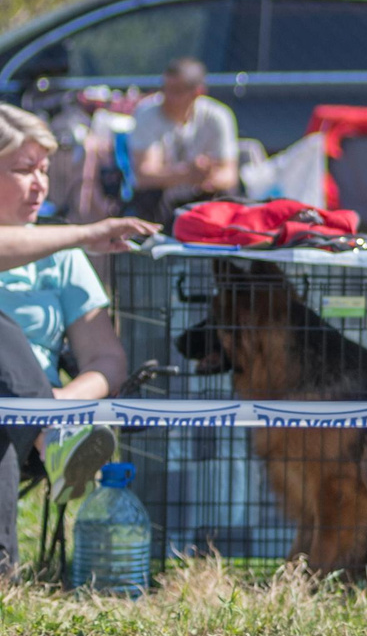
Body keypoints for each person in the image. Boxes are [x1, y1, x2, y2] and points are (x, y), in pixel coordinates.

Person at [0, 104, 155, 575]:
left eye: (45, 170)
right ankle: (53, 438)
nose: (40, 184)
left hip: (21, 420)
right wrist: (88, 232)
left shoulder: (63, 258)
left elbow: (107, 359)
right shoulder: (73, 239)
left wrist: (62, 399)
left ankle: (47, 429)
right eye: (24, 169)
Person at [128, 58, 241, 220]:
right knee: (149, 195)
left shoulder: (217, 116)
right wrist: (187, 173)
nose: (167, 97)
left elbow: (229, 175)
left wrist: (205, 176)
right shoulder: (147, 113)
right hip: (163, 199)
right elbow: (144, 174)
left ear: (197, 92)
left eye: (176, 91)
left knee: (227, 196)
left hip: (202, 196)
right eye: (164, 89)